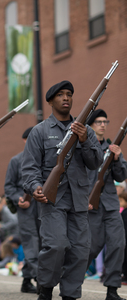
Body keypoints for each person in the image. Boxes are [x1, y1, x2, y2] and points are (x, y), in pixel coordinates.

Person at [21, 80, 103, 300]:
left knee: (80, 251)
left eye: (69, 94)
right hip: (52, 200)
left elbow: (95, 162)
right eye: (60, 95)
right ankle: (46, 289)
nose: (66, 98)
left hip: (78, 200)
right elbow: (29, 169)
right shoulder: (39, 132)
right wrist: (36, 187)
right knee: (56, 245)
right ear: (50, 101)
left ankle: (70, 295)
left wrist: (85, 140)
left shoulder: (85, 131)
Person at [85, 109, 127, 300]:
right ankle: (71, 279)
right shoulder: (82, 146)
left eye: (105, 121)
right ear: (91, 125)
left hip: (110, 204)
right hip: (90, 205)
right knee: (91, 248)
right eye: (99, 122)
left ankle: (112, 289)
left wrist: (117, 159)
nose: (103, 125)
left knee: (118, 244)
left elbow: (121, 176)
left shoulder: (113, 148)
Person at [4, 126, 40, 294]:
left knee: (41, 242)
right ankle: (41, 278)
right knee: (31, 242)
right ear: (25, 140)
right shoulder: (16, 161)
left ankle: (26, 280)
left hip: (42, 206)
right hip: (25, 208)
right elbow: (9, 186)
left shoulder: (43, 159)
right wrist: (18, 198)